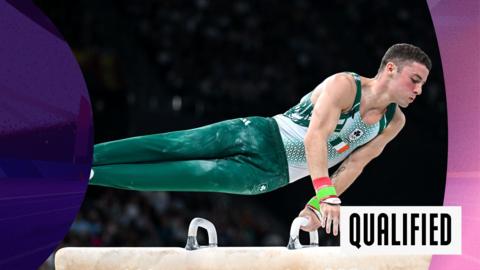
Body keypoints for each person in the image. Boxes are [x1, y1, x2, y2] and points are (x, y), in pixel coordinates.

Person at [90, 43, 432, 236]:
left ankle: (88, 175)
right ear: (389, 68)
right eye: (414, 79)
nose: (418, 90)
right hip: (257, 132)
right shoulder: (345, 85)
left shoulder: (394, 121)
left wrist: (316, 206)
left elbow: (355, 162)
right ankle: (84, 156)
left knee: (180, 174)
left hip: (268, 176)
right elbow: (316, 137)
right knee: (169, 145)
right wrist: (325, 193)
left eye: (422, 85)